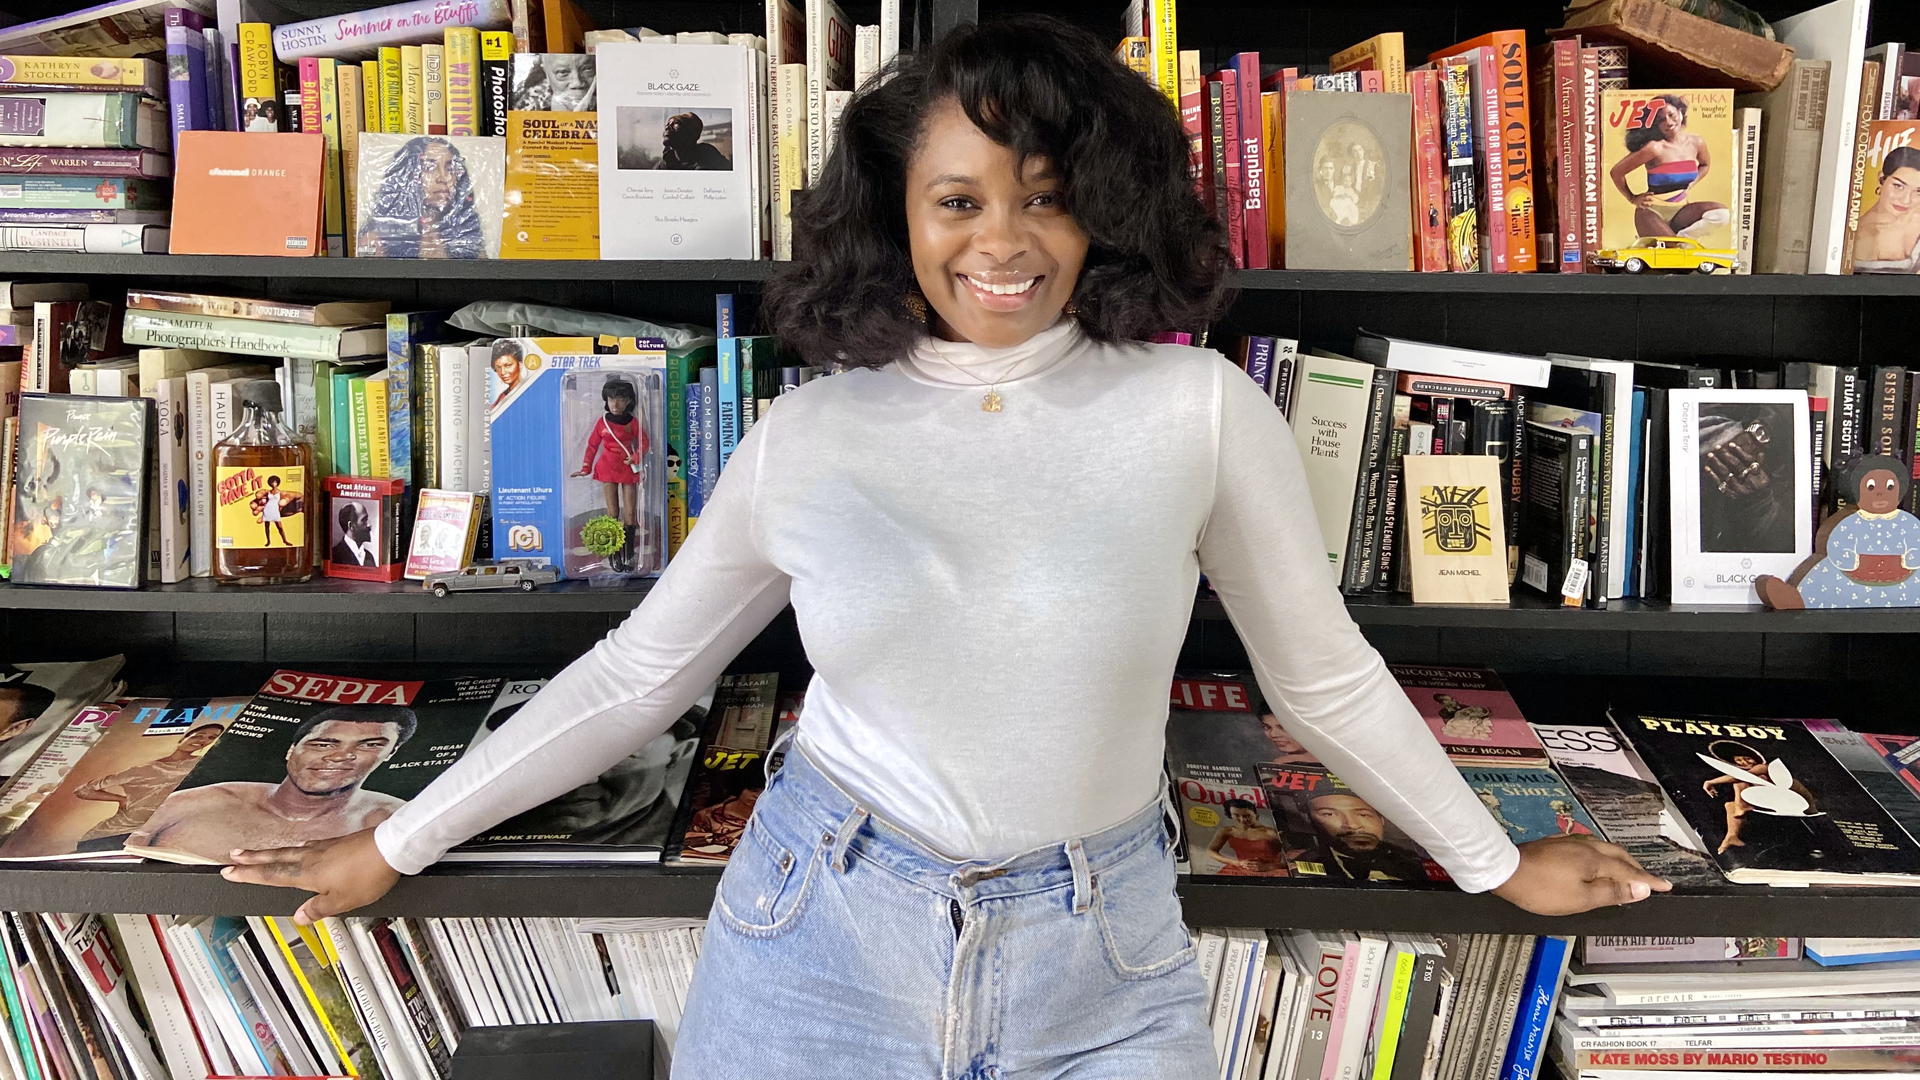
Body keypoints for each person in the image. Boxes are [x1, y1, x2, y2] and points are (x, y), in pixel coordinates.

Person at [223, 18, 1667, 1075]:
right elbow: (637, 677)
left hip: (1101, 954)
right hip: (820, 935)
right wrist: (396, 838)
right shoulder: (814, 432)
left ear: (1107, 207)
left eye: (1049, 194)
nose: (1008, 240)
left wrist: (1496, 863)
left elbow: (1324, 681)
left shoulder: (1201, 411)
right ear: (900, 219)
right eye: (961, 199)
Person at [129, 705, 414, 861]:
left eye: (368, 745)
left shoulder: (393, 820)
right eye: (324, 743)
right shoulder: (197, 801)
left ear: (390, 753)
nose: (340, 756)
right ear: (292, 750)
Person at [1759, 455, 1920, 609]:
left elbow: (1916, 543)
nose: (1879, 493)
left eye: (1889, 487)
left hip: (1902, 581)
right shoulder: (1850, 521)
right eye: (1870, 487)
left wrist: (1912, 556)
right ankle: (1798, 599)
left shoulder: (1906, 522)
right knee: (1826, 573)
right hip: (1852, 577)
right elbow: (1835, 544)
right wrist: (1847, 559)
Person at [71, 721, 225, 849]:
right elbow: (83, 791)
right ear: (183, 738)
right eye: (198, 735)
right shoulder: (143, 769)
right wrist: (121, 799)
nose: (202, 740)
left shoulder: (202, 765)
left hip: (157, 836)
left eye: (211, 738)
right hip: (111, 835)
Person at [1608, 93, 1730, 242]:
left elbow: (1705, 164)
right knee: (1675, 250)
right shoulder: (1654, 148)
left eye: (1671, 115)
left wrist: (1691, 184)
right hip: (1652, 212)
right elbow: (1616, 172)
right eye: (1660, 120)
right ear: (1655, 125)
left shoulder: (1696, 142)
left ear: (1680, 112)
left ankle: (1682, 239)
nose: (1668, 122)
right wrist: (1632, 198)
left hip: (1681, 210)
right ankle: (1667, 242)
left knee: (1721, 214)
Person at [357, 136, 486, 259]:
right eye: (429, 168)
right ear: (406, 175)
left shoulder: (466, 235)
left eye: (450, 169)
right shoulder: (376, 238)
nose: (442, 178)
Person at [1700, 739, 1812, 853]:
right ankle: (1731, 836)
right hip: (1772, 803)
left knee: (1740, 779)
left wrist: (1710, 782)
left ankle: (1742, 807)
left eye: (1747, 758)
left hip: (1796, 802)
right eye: (1739, 760)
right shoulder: (1748, 773)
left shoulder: (1763, 767)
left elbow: (1741, 776)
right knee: (1730, 806)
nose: (1744, 762)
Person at [1307, 791, 1426, 883]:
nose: (1352, 825)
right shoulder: (1305, 864)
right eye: (1329, 814)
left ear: (1381, 820)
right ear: (1310, 820)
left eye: (1364, 815)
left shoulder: (1416, 864)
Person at [1852, 147, 1920, 273]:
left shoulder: (1916, 221)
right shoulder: (1852, 233)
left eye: (1918, 191)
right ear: (1881, 179)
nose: (1906, 200)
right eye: (1898, 186)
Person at [1205, 798, 1290, 876]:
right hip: (1239, 869)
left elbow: (1296, 860)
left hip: (1270, 872)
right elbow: (1210, 851)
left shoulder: (1271, 833)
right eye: (1236, 815)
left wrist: (1269, 867)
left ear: (1256, 815)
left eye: (1247, 816)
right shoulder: (1227, 831)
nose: (1242, 820)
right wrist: (1237, 863)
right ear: (1230, 815)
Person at [659, 112, 732, 171]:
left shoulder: (708, 157)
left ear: (691, 132)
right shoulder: (666, 161)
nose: (667, 127)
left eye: (675, 123)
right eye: (667, 124)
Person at [331, 501, 377, 567]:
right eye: (364, 520)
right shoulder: (335, 555)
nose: (369, 525)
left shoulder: (369, 557)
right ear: (351, 525)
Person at [489, 343, 524, 413]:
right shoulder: (501, 397)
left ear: (520, 364)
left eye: (508, 365)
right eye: (498, 368)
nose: (502, 372)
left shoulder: (528, 390)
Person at [257, 475, 290, 547]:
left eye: (275, 482)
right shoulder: (268, 491)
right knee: (267, 526)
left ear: (277, 483)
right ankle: (268, 541)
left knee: (279, 527)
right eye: (272, 482)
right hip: (268, 509)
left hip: (275, 509)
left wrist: (279, 510)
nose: (273, 484)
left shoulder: (280, 492)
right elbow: (261, 496)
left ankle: (285, 540)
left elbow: (281, 503)